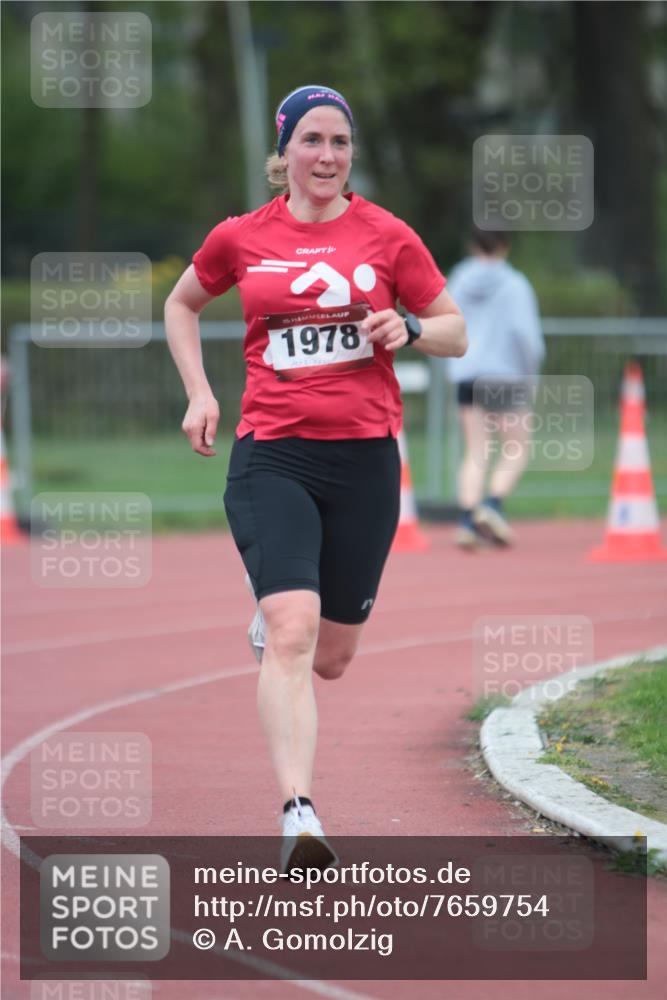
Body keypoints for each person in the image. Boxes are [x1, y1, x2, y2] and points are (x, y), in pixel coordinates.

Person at [165, 84, 466, 871]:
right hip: (274, 452)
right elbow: (181, 303)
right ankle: (298, 811)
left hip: (365, 458)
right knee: (293, 632)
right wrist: (200, 392)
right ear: (284, 153)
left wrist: (409, 327)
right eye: (311, 142)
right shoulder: (241, 236)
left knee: (331, 656)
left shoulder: (386, 235)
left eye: (338, 142)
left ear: (350, 153)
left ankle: (278, 617)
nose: (326, 156)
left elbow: (456, 332)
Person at [446, 228, 544, 548]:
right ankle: (493, 505)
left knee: (476, 449)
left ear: (471, 244)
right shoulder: (515, 285)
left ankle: (466, 519)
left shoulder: (458, 279)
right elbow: (526, 336)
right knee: (516, 448)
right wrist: (531, 374)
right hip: (506, 374)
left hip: (467, 373)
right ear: (505, 246)